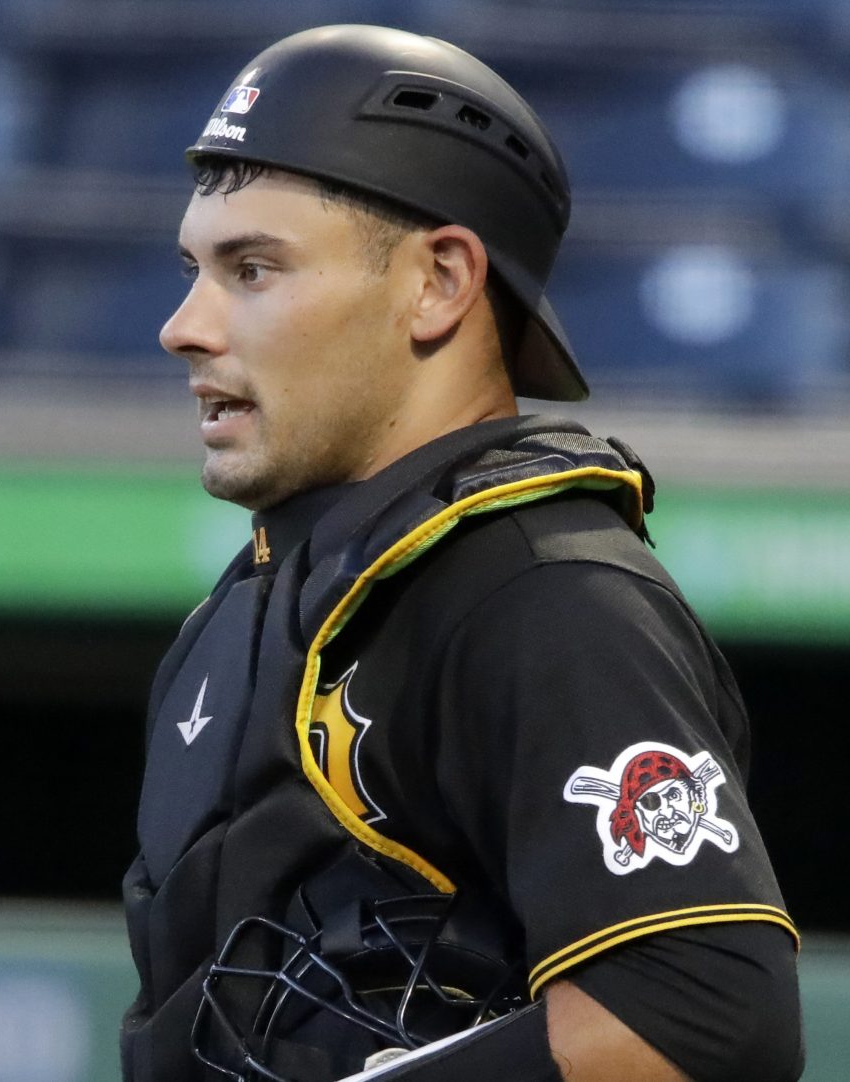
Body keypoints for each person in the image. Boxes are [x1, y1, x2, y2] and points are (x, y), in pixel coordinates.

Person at [119, 26, 801, 1082]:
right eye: (193, 268)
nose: (183, 326)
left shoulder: (543, 591)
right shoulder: (251, 601)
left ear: (439, 282)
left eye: (253, 267)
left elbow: (698, 1009)